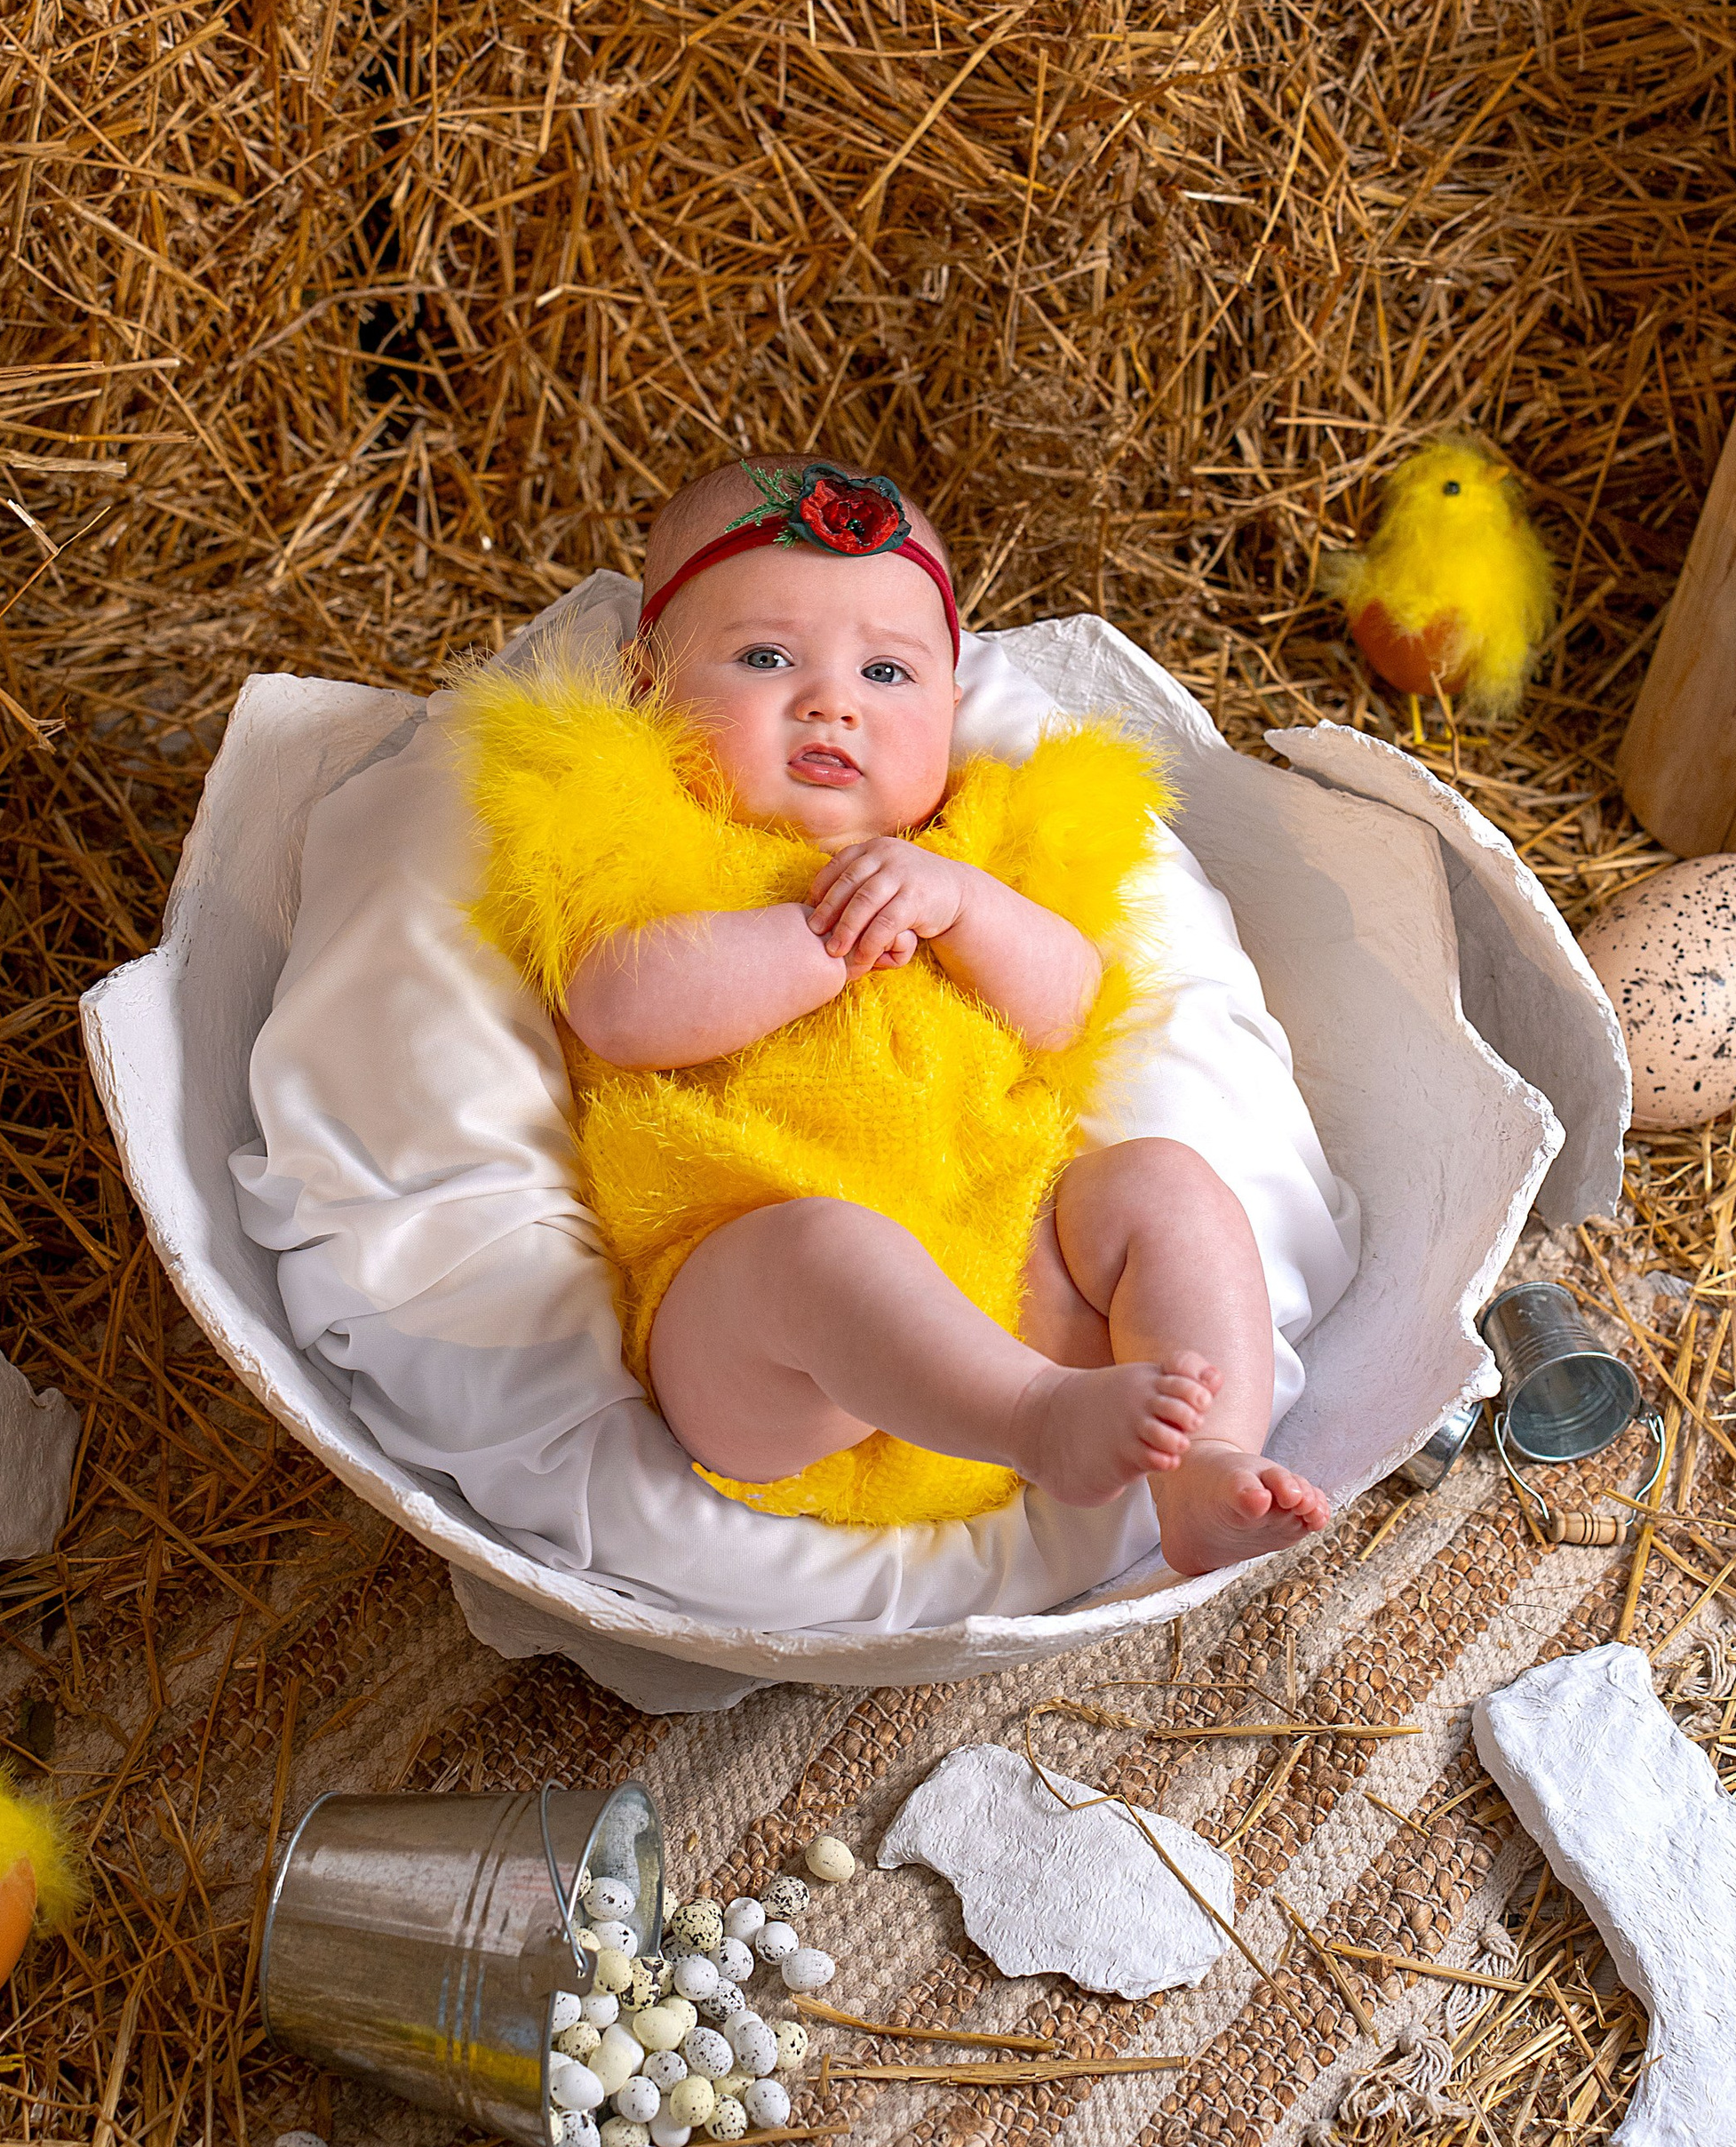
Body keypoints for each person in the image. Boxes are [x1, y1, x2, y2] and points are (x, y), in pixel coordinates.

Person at [463, 457, 1331, 1576]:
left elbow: (1068, 1006)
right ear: (644, 685)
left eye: (886, 671)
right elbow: (619, 1008)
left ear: (953, 704)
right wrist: (815, 941)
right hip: (772, 1359)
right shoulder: (649, 838)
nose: (832, 702)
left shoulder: (970, 849)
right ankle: (1034, 1421)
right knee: (821, 1251)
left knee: (1163, 1184)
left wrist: (964, 905)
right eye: (765, 657)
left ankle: (1204, 1465)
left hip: (1022, 1287)